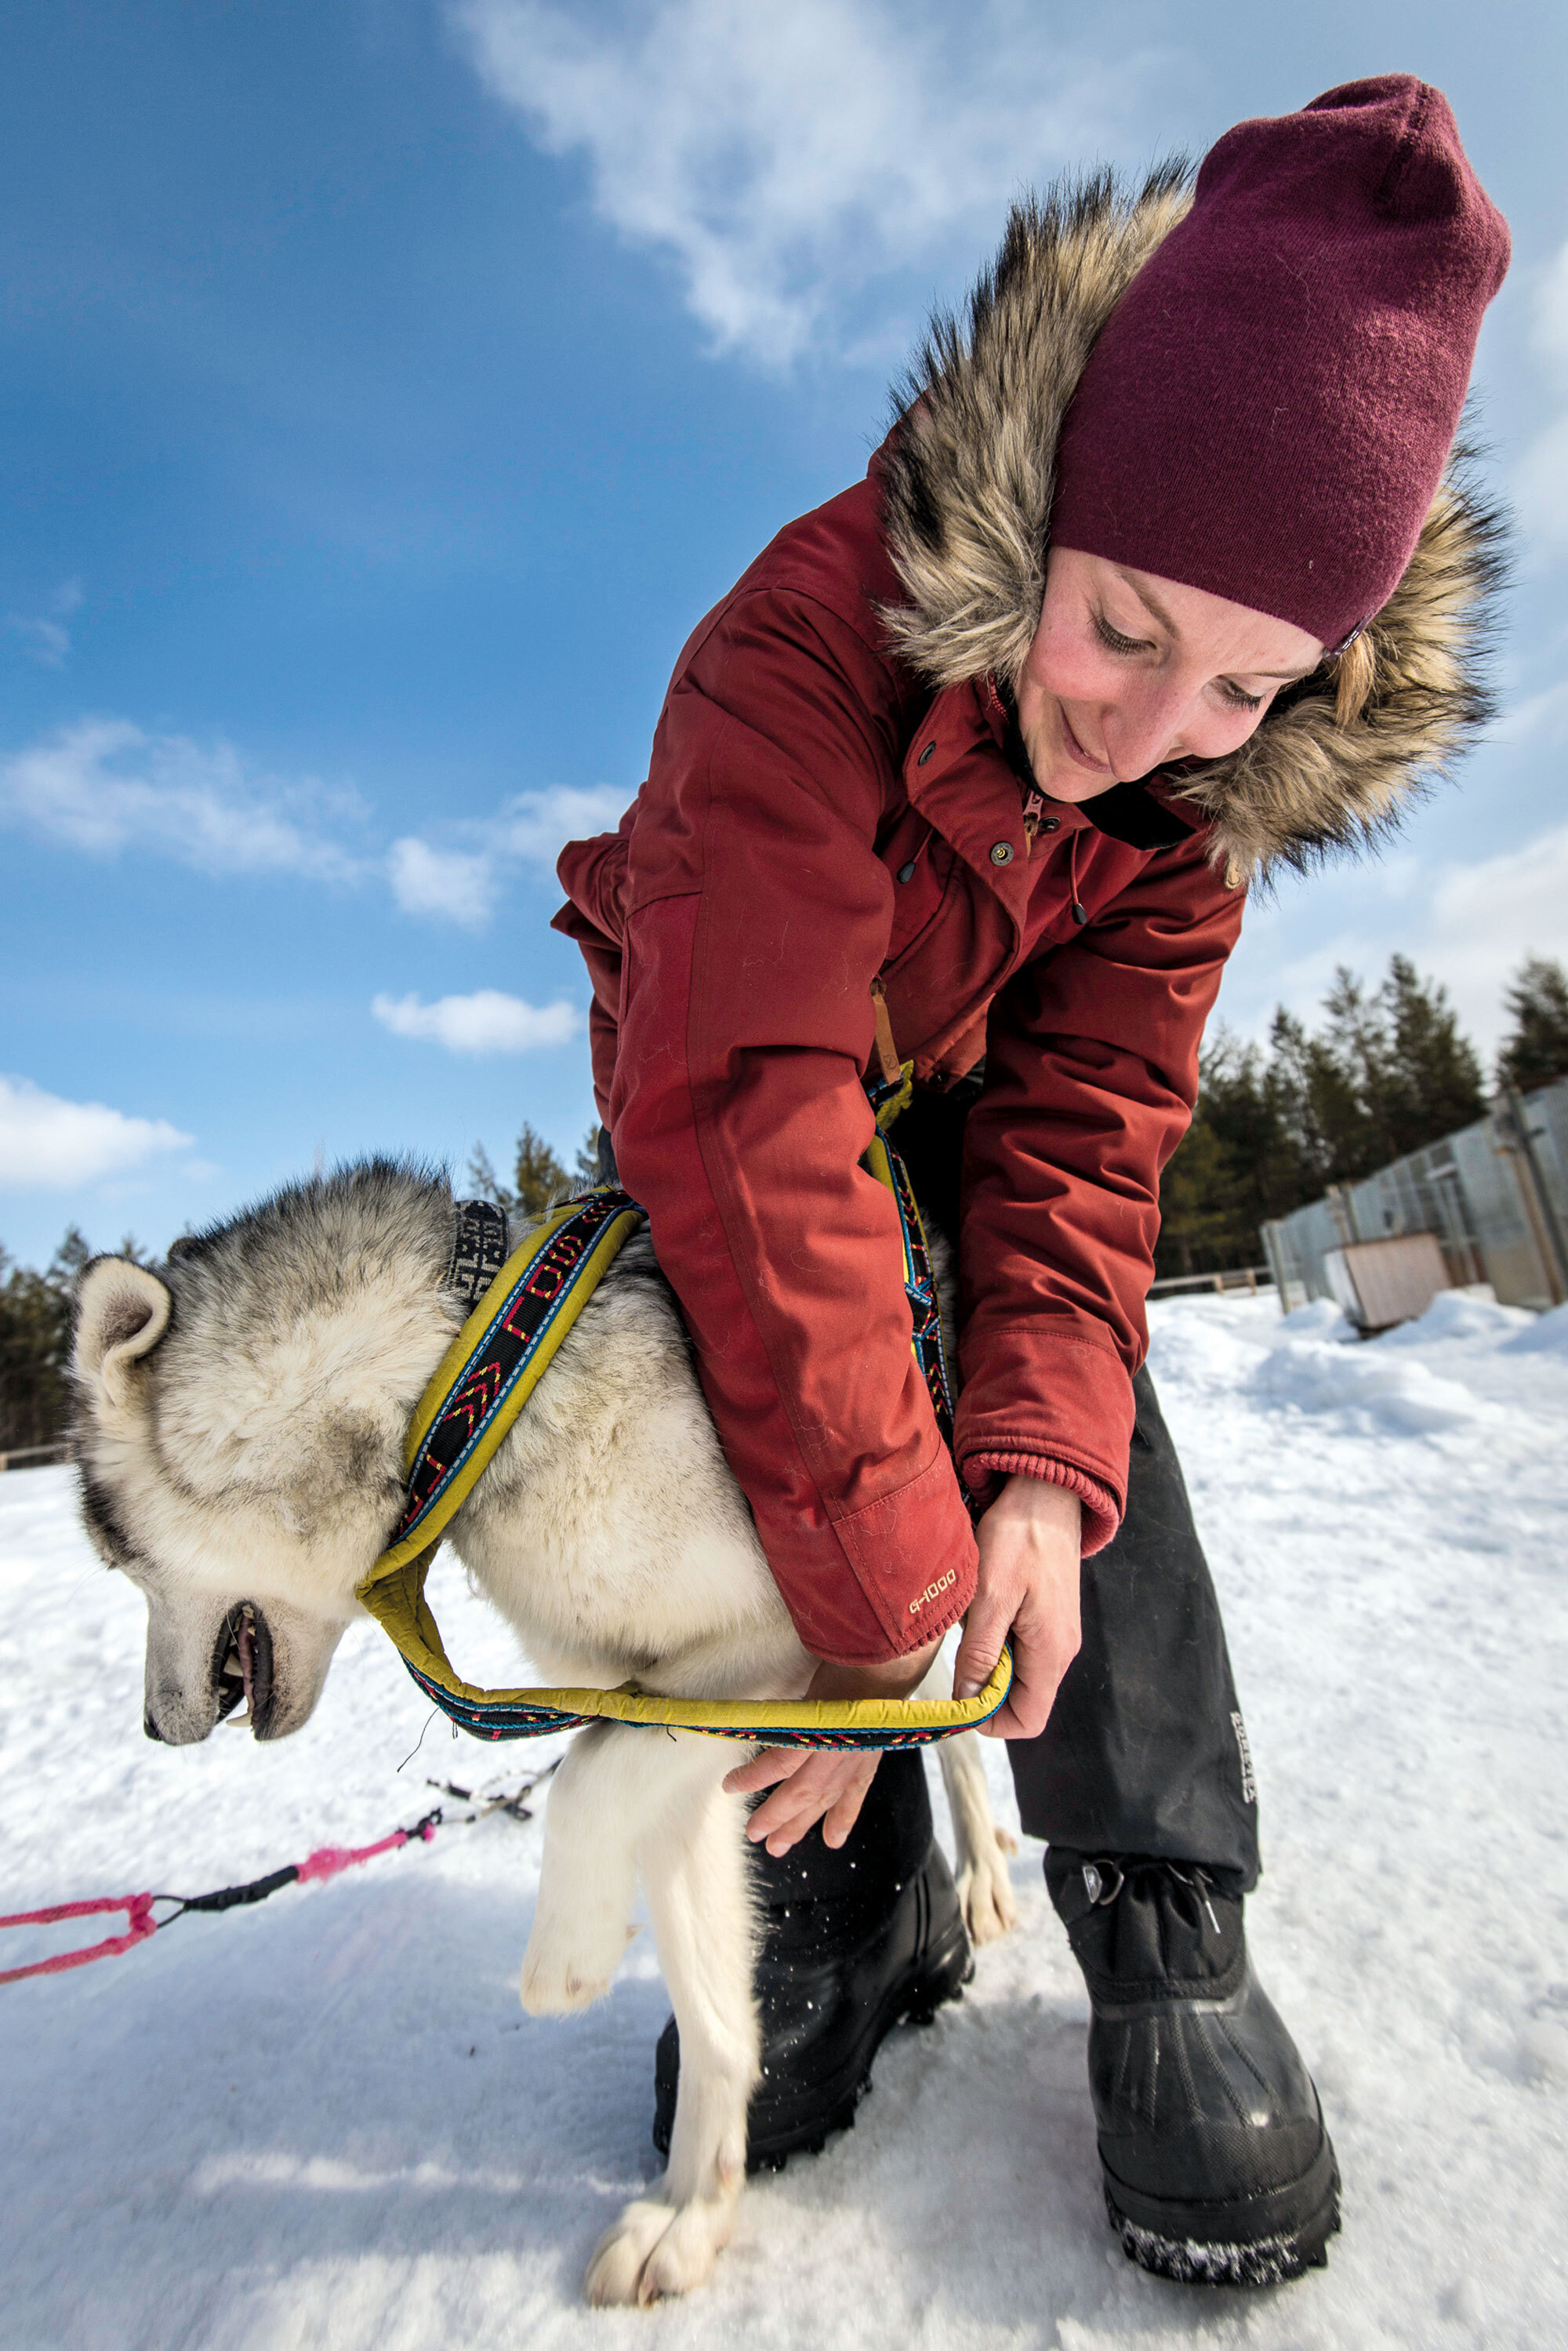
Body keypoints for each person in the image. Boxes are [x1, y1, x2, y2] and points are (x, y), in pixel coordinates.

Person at [553, 77, 1508, 2285]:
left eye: (1254, 681)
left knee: (1056, 1405)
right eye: (1126, 629)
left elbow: (1082, 1156)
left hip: (964, 1099)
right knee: (771, 1388)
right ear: (1052, 508)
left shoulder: (1201, 799)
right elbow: (760, 1112)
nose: (1164, 720)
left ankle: (1164, 1901)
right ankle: (840, 1870)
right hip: (741, 1073)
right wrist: (880, 1627)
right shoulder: (798, 648)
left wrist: (1033, 1484)